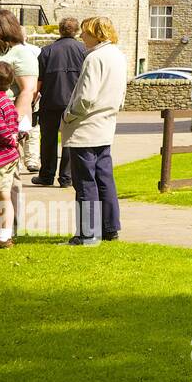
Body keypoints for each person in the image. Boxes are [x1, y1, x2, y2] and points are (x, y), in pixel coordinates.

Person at [61, 16, 128, 245]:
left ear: (96, 33)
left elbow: (86, 96)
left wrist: (68, 115)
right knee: (104, 179)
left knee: (85, 182)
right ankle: (110, 229)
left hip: (86, 127)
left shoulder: (95, 57)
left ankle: (87, 233)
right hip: (106, 124)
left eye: (85, 33)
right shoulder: (119, 55)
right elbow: (121, 95)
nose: (81, 37)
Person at [31, 18, 86, 189]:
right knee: (70, 140)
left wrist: (32, 101)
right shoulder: (84, 51)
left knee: (48, 139)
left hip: (50, 101)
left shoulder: (46, 51)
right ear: (77, 31)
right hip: (73, 102)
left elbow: (38, 82)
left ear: (60, 30)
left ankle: (47, 175)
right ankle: (66, 178)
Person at [0, 11, 39, 177]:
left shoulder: (21, 53)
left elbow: (28, 89)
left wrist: (14, 123)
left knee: (8, 176)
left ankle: (11, 204)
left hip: (7, 120)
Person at [0, 62, 21, 249]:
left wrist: (12, 140)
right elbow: (15, 124)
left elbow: (2, 130)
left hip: (3, 158)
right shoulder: (7, 100)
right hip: (9, 156)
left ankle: (4, 237)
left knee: (3, 196)